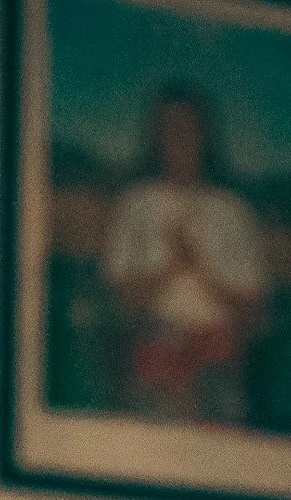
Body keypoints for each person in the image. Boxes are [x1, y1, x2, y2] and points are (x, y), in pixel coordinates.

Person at [101, 86, 268, 426]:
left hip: (218, 356)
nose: (179, 140)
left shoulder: (233, 210)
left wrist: (202, 268)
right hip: (154, 352)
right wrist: (171, 266)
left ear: (205, 135)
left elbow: (254, 307)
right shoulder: (135, 204)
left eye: (189, 129)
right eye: (170, 129)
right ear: (156, 136)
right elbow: (120, 297)